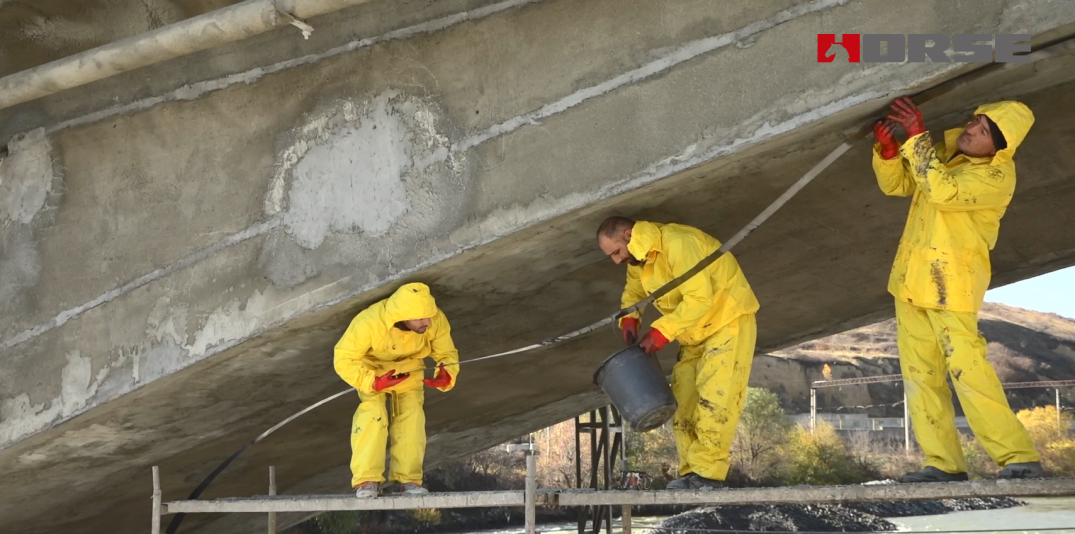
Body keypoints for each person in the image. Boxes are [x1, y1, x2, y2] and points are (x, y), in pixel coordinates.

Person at [873, 97, 1042, 482]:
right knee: (921, 377)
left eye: (983, 131)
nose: (970, 130)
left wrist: (916, 134)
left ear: (999, 147)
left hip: (951, 287)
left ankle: (1019, 456)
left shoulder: (995, 178)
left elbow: (941, 192)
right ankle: (943, 464)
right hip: (911, 283)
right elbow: (901, 183)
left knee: (969, 371)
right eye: (975, 122)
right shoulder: (948, 160)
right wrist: (887, 150)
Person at [597, 217, 760, 489]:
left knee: (715, 400)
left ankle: (708, 475)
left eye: (616, 252)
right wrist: (629, 318)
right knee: (683, 404)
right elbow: (635, 291)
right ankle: (691, 474)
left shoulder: (679, 243)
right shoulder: (640, 259)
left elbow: (699, 299)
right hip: (693, 332)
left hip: (727, 323)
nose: (616, 260)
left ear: (628, 235)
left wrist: (661, 332)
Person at [334, 282, 459, 498]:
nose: (427, 322)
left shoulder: (434, 319)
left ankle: (408, 481)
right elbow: (343, 357)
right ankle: (366, 481)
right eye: (421, 319)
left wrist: (447, 372)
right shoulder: (370, 322)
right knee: (373, 414)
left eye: (429, 316)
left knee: (412, 418)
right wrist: (372, 382)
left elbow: (446, 351)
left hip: (410, 370)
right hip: (373, 371)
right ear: (402, 316)